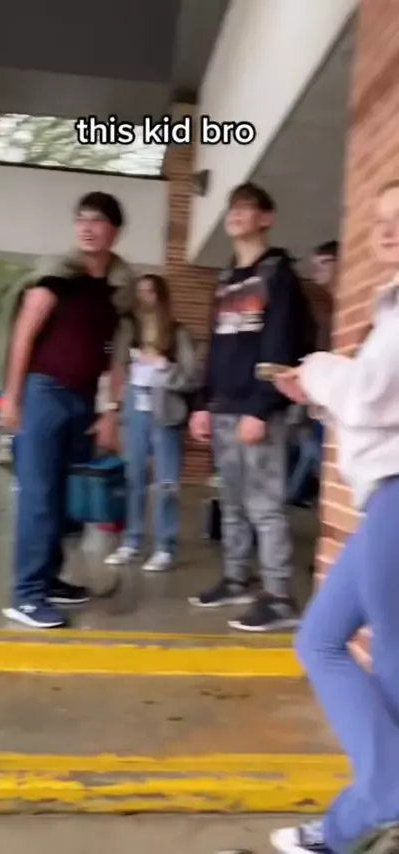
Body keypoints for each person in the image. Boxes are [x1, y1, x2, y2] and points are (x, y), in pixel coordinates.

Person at [270, 180, 399, 854]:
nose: (388, 232)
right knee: (321, 638)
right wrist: (319, 394)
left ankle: (369, 808)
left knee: (388, 662)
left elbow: (371, 396)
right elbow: (379, 405)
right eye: (381, 221)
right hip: (385, 498)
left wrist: (320, 368)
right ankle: (365, 811)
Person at [0, 191, 135, 629]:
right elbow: (23, 335)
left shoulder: (114, 295)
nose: (86, 227)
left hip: (80, 401)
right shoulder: (55, 278)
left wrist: (111, 412)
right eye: (81, 219)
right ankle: (26, 596)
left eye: (97, 220)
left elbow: (116, 358)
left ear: (114, 231)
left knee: (59, 501)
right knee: (39, 497)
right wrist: (12, 396)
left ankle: (49, 578)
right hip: (43, 393)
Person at [188, 181, 316, 632]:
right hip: (223, 406)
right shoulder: (226, 279)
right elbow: (215, 347)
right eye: (232, 208)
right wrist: (203, 403)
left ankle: (279, 597)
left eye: (246, 208)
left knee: (265, 505)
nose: (236, 214)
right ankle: (237, 578)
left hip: (257, 409)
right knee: (232, 502)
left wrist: (261, 408)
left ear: (266, 218)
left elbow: (281, 344)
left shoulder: (278, 274)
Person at [104, 274, 197, 572]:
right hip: (136, 409)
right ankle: (132, 541)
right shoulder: (129, 330)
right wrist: (113, 408)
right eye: (140, 292)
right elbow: (119, 370)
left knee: (166, 482)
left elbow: (192, 375)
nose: (144, 297)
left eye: (150, 292)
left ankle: (165, 547)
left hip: (166, 410)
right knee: (134, 478)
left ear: (161, 296)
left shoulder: (178, 332)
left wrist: (164, 366)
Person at [287, 241, 339, 506]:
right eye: (314, 265)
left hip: (336, 396)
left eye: (324, 263)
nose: (316, 270)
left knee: (316, 449)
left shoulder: (346, 307)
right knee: (309, 445)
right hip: (322, 395)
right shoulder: (328, 308)